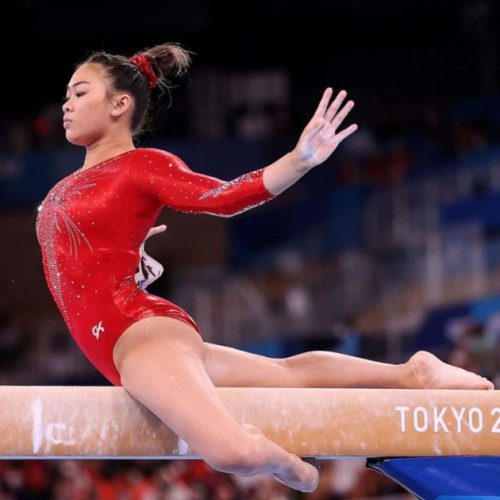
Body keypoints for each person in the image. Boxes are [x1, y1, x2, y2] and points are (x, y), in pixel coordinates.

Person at [36, 42, 494, 493]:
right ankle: (412, 374)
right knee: (286, 374)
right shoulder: (69, 184)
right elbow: (87, 254)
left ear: (120, 103)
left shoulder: (141, 165)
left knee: (234, 453)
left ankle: (296, 471)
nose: (66, 104)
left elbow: (222, 197)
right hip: (129, 342)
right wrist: (127, 253)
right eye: (67, 95)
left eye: (80, 93)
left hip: (138, 337)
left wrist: (300, 159)